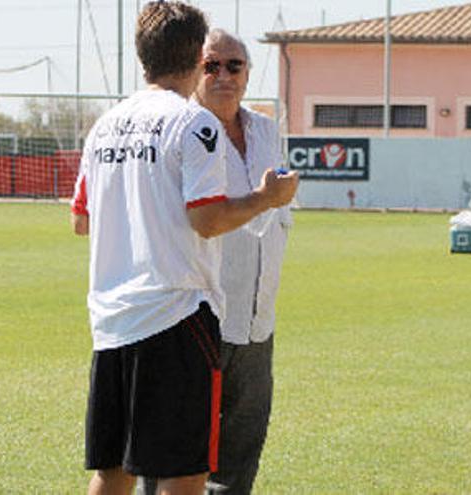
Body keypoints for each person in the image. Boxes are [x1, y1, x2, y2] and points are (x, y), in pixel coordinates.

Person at [70, 3, 298, 495]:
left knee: (113, 470)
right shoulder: (194, 124)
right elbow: (208, 220)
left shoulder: (105, 125)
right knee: (185, 471)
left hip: (111, 318)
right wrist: (265, 198)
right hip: (175, 316)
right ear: (198, 55)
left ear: (141, 55)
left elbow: (80, 220)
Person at [140, 28, 292, 495]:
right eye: (211, 65)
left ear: (248, 72)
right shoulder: (182, 129)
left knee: (240, 457)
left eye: (234, 65)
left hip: (255, 321)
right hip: (194, 318)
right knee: (174, 455)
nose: (223, 75)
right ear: (193, 69)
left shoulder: (267, 129)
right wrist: (264, 200)